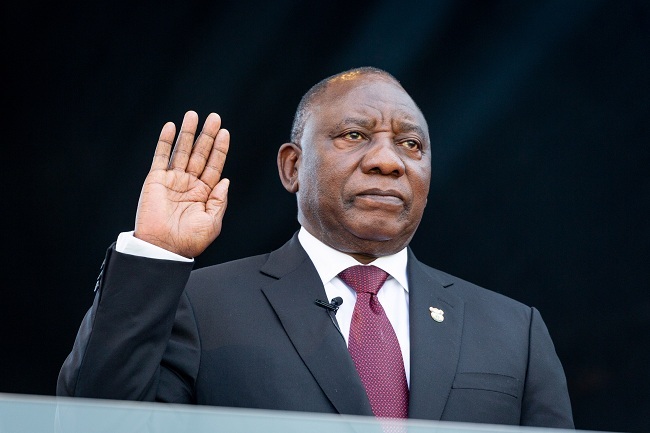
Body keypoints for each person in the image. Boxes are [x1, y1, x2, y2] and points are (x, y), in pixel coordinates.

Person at [57, 67, 574, 428]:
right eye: (354, 134)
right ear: (291, 166)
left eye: (411, 144)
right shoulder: (199, 306)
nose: (389, 161)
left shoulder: (514, 330)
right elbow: (90, 423)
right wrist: (156, 252)